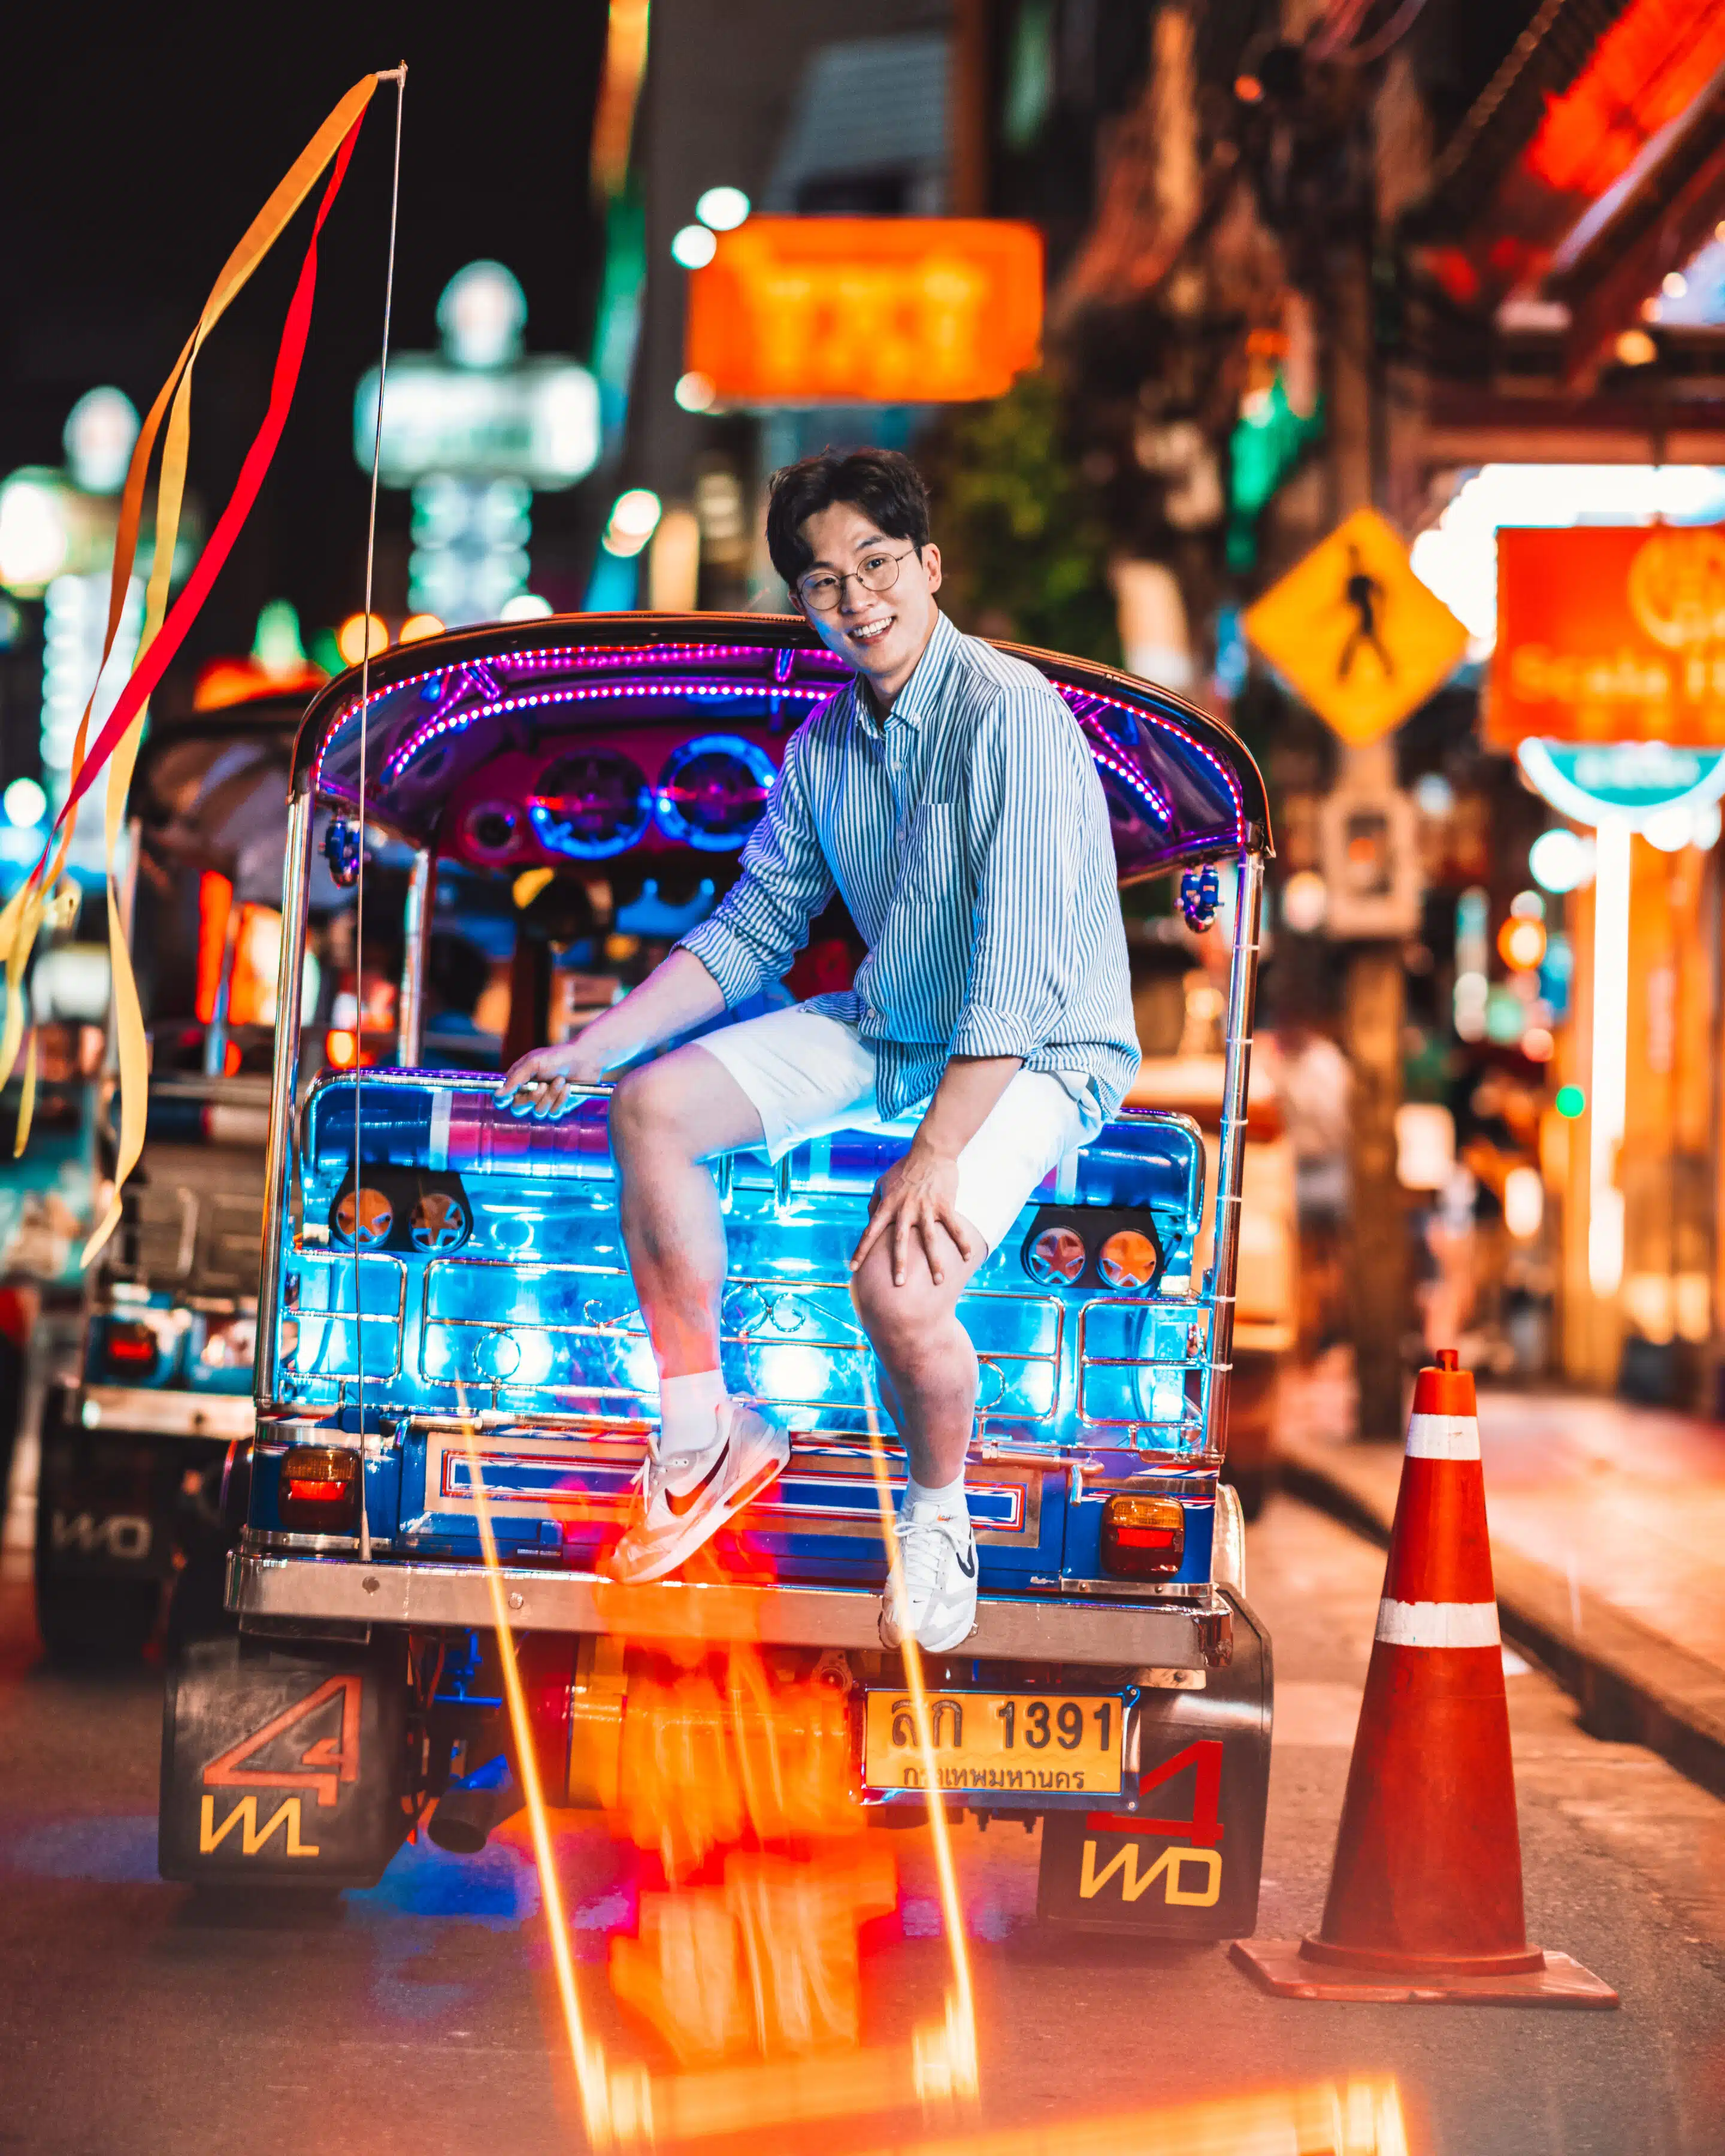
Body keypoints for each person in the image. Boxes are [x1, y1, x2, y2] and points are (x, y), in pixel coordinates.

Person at [499, 449, 1137, 1650]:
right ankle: (703, 1436)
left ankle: (939, 1513)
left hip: (1043, 1049)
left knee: (895, 1281)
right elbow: (752, 929)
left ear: (928, 566)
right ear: (804, 605)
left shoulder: (1018, 717)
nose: (858, 599)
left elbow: (1018, 971)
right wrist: (594, 1046)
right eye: (825, 582)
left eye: (878, 564)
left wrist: (936, 1153)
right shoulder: (825, 750)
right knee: (649, 1111)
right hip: (893, 1025)